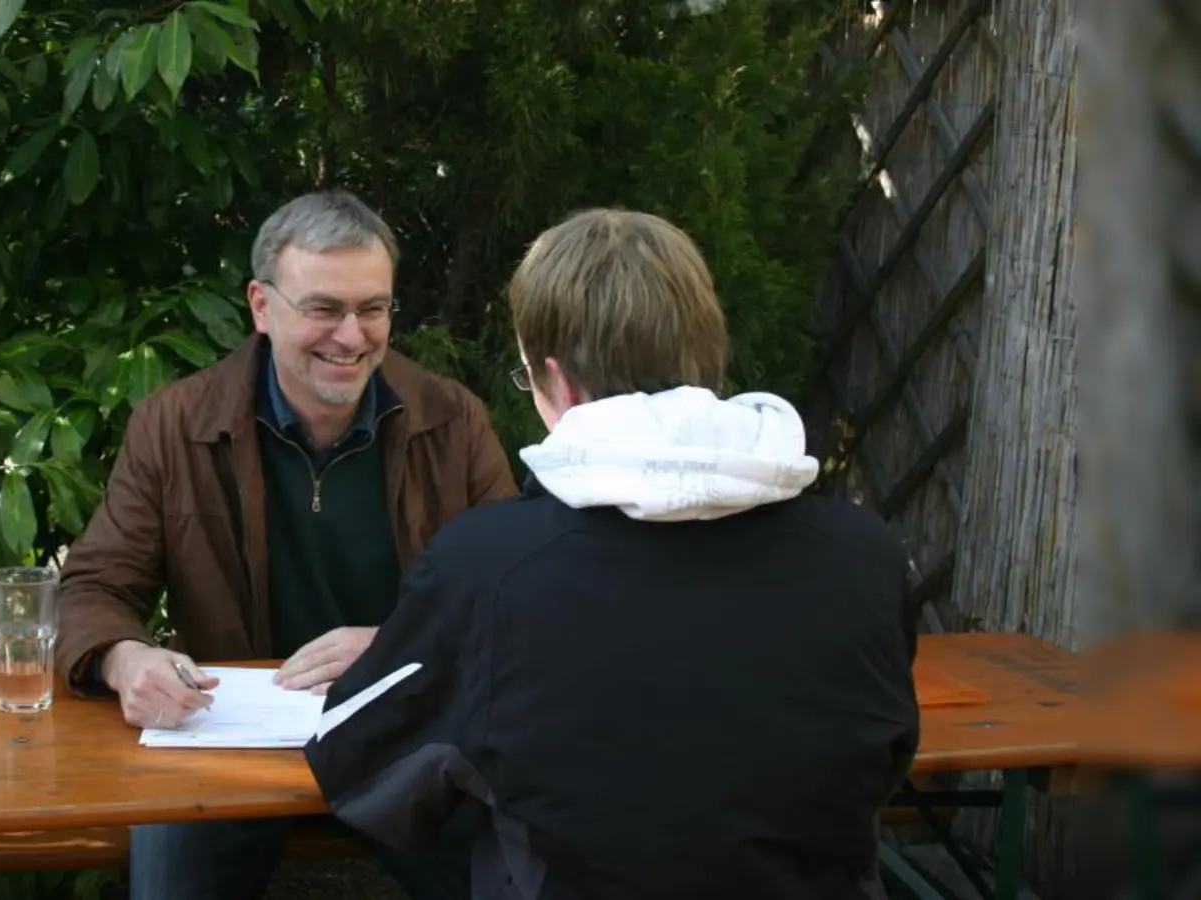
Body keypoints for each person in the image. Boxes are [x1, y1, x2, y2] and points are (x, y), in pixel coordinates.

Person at [303, 208, 921, 899]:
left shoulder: (487, 570)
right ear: (708, 359)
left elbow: (356, 767)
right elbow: (885, 755)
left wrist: (417, 651)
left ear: (557, 382)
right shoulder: (863, 556)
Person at [54, 188, 518, 900]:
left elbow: (517, 598)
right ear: (261, 306)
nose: (353, 336)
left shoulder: (450, 421)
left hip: (407, 736)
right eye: (324, 309)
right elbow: (94, 586)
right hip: (225, 739)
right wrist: (125, 659)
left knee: (512, 877)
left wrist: (401, 646)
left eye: (373, 309)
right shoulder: (175, 425)